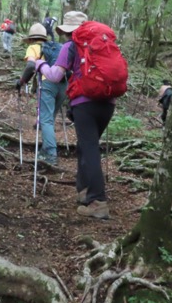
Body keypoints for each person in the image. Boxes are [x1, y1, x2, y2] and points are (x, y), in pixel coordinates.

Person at [34, 11, 115, 219]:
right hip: (107, 103)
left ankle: (98, 202)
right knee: (85, 146)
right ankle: (84, 191)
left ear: (68, 30)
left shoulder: (71, 46)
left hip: (84, 104)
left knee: (89, 149)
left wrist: (40, 64)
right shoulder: (102, 44)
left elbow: (54, 76)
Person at [15, 23, 65, 166]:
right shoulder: (57, 47)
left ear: (31, 39)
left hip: (47, 84)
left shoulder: (33, 47)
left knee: (46, 120)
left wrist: (22, 81)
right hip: (63, 84)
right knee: (49, 118)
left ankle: (50, 154)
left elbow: (31, 66)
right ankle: (45, 148)